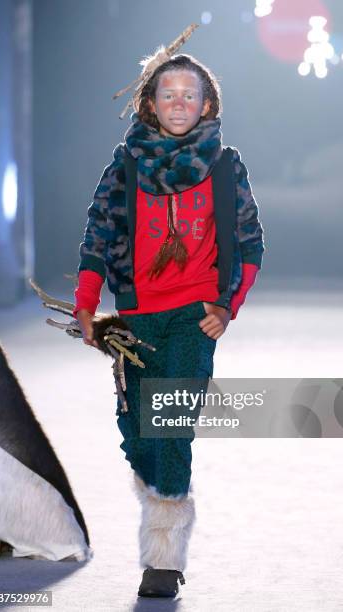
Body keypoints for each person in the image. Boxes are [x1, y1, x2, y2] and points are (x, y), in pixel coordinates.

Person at [73, 51, 264, 598]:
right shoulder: (125, 166)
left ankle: (163, 559)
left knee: (169, 425)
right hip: (135, 321)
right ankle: (160, 495)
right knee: (137, 437)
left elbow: (249, 243)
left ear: (207, 103)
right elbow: (98, 238)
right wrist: (87, 303)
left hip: (194, 316)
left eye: (190, 94)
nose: (179, 103)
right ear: (149, 104)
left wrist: (228, 305)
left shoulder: (226, 166)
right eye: (168, 94)